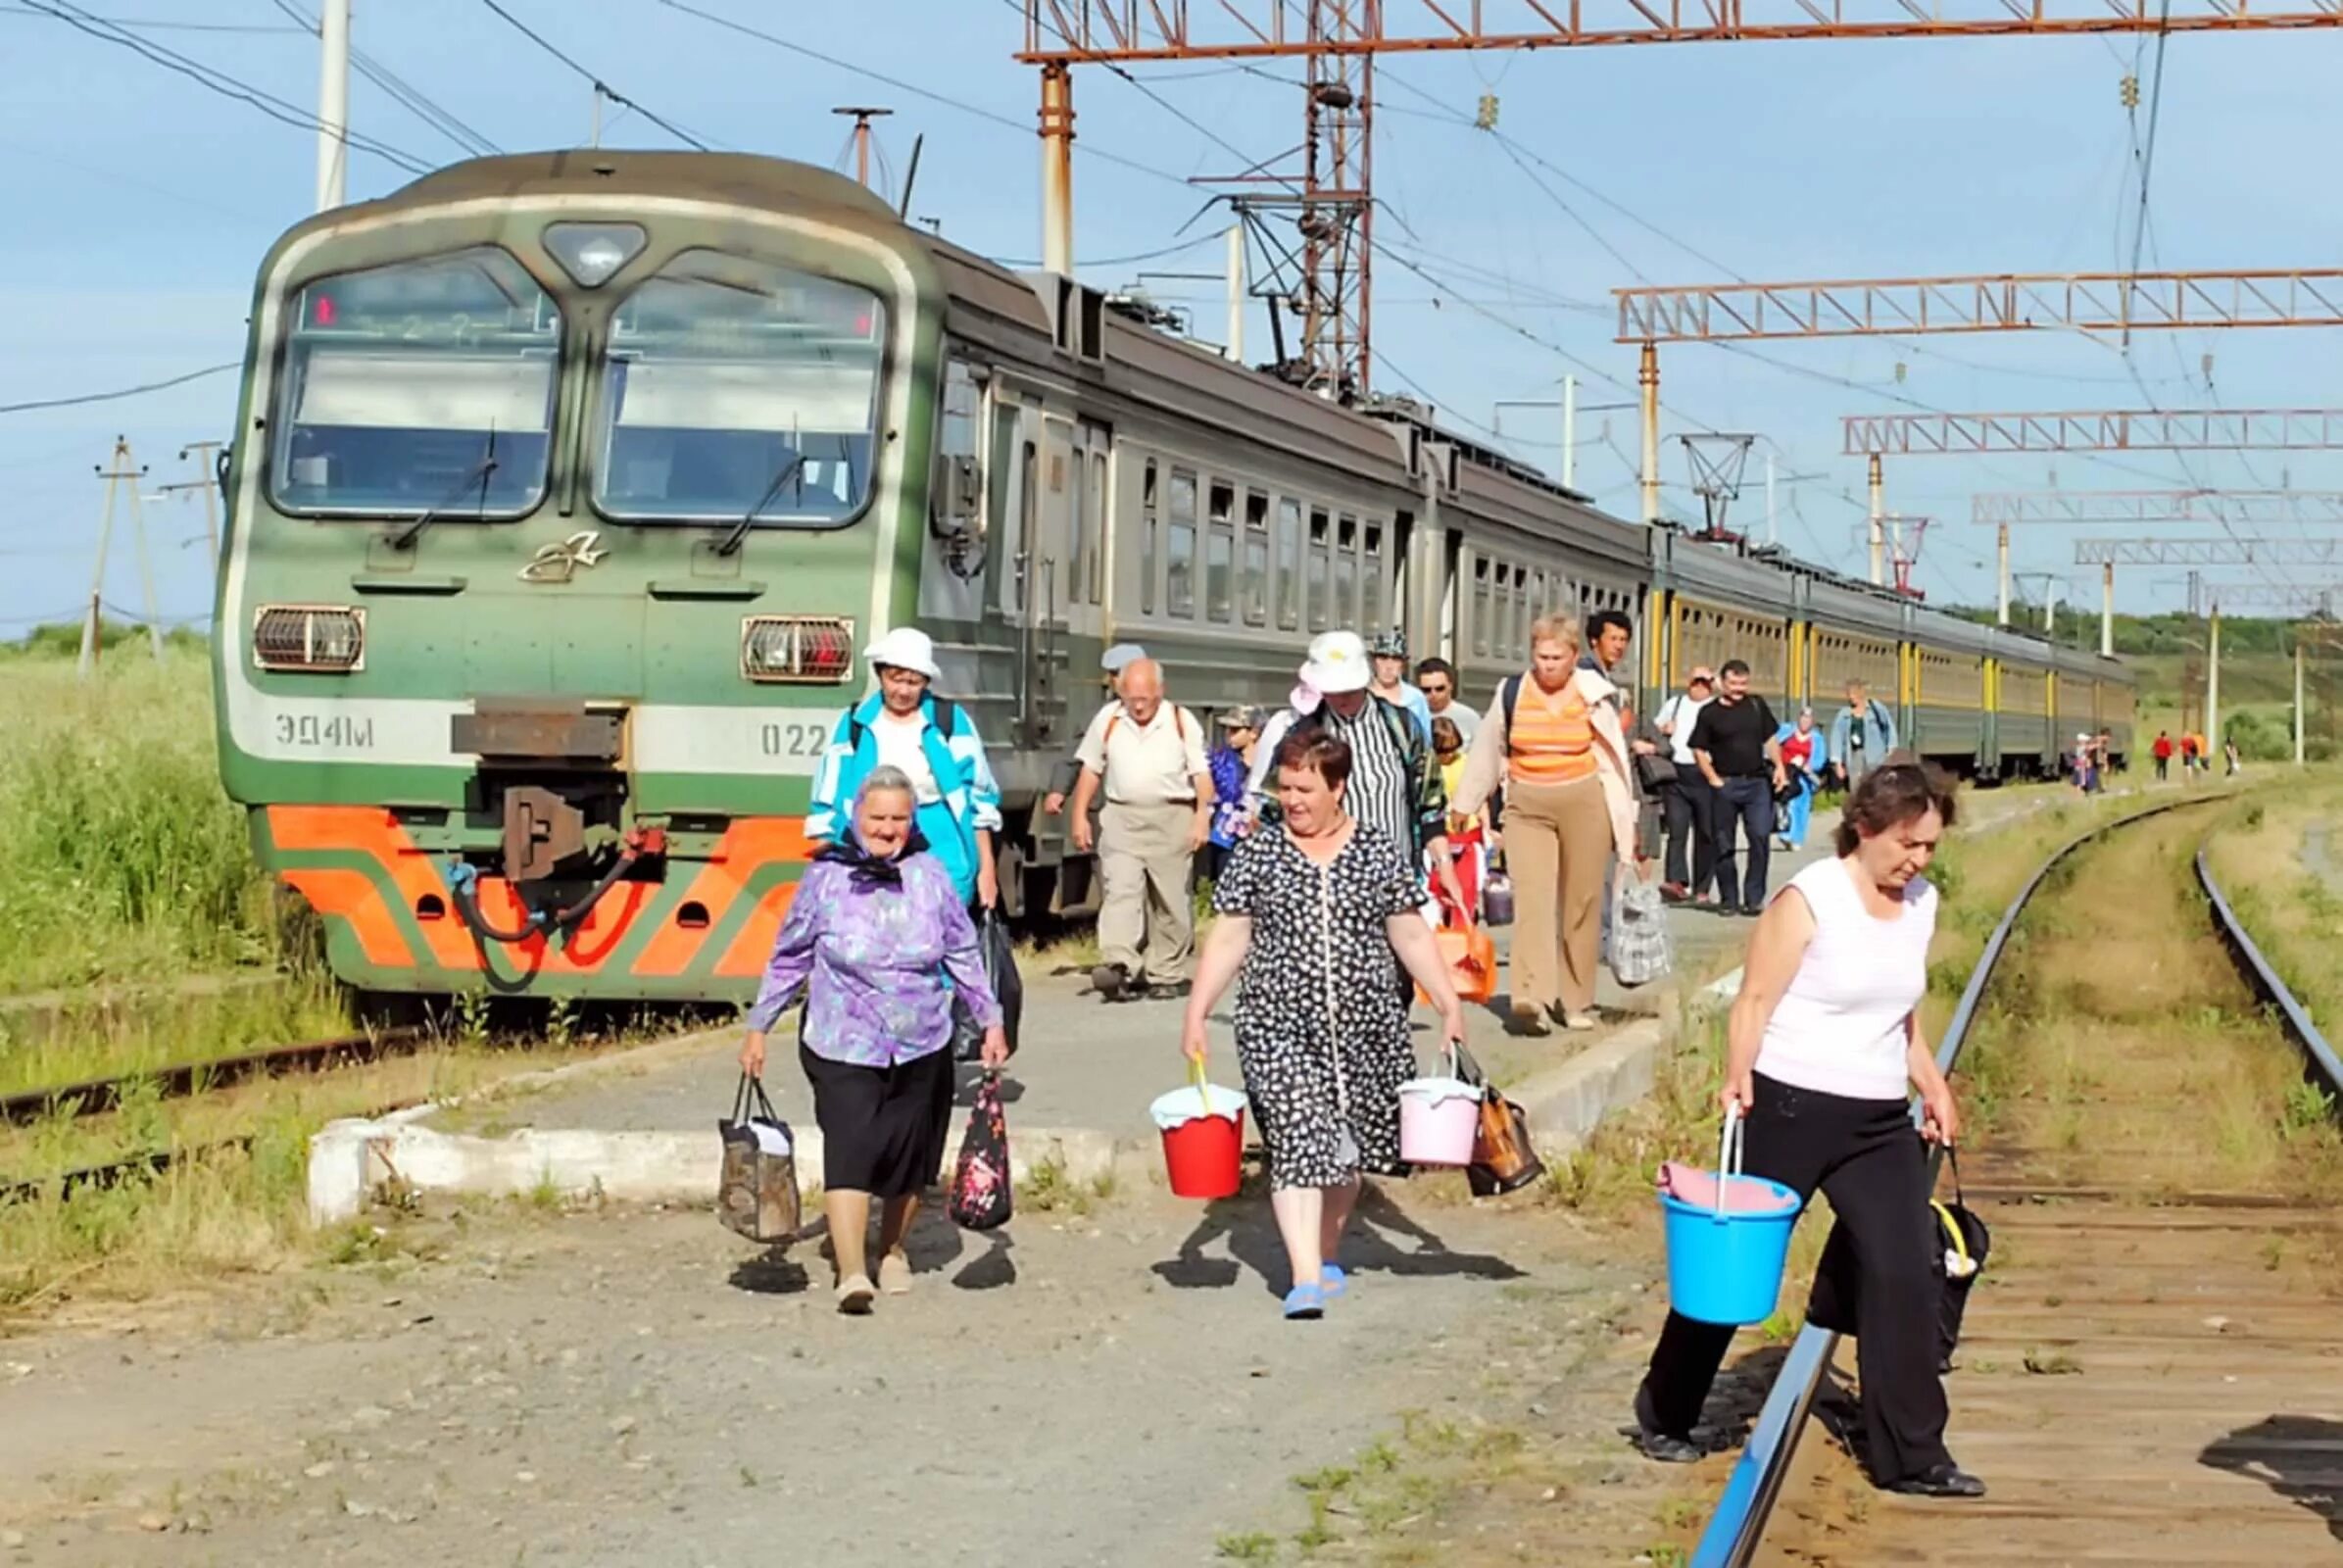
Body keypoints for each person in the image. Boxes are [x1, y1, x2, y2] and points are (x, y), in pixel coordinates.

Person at [1632, 761, 1977, 1496]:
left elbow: (1900, 1014)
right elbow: (1754, 999)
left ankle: (1914, 1456)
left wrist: (1933, 1086)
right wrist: (1736, 1076)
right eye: (1907, 845)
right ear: (1864, 826)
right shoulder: (1810, 897)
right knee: (1734, 1270)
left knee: (1903, 1273)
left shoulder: (1921, 903)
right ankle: (1665, 1410)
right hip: (1787, 1106)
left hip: (1878, 1119)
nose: (1916, 861)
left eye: (1929, 849)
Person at [1182, 730, 1467, 1319]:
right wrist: (1198, 1009)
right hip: (1276, 1025)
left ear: (1337, 787)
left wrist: (1448, 1001)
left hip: (1368, 1029)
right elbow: (1231, 935)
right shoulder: (1259, 854)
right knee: (1296, 1139)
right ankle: (1304, 1277)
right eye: (1284, 788)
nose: (1291, 800)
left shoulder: (1376, 850)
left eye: (1304, 788)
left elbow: (1409, 931)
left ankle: (1326, 1252)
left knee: (1348, 1152)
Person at [740, 767, 1008, 1314]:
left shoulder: (930, 875)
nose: (887, 829)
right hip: (843, 1041)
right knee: (852, 1147)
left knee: (911, 1156)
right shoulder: (825, 879)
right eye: (877, 818)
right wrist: (759, 1026)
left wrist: (991, 1018)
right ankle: (852, 1271)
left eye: (899, 819)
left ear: (912, 823)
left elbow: (961, 953)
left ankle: (892, 1250)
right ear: (855, 818)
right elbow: (790, 955)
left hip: (922, 1040)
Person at [1451, 616, 1638, 1037]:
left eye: (1557, 657)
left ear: (1574, 658)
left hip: (1585, 802)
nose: (1549, 665)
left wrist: (1626, 821)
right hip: (1526, 804)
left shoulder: (1594, 695)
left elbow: (1616, 761)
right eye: (1541, 657)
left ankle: (1573, 1000)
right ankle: (1530, 997)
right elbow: (1487, 747)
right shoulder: (1513, 692)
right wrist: (1465, 803)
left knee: (1581, 902)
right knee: (1533, 900)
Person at [1249, 631, 1471, 921]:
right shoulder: (1302, 736)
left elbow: (1430, 804)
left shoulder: (1402, 727)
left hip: (1396, 884)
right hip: (1327, 889)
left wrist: (1444, 867)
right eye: (1332, 691)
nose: (1340, 699)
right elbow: (1272, 811)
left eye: (1348, 690)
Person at [807, 627, 1001, 910]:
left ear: (925, 682)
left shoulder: (950, 721)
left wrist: (987, 870)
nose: (903, 690)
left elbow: (978, 801)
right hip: (871, 845)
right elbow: (828, 797)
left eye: (913, 682)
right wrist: (825, 867)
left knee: (939, 935)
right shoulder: (855, 725)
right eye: (895, 679)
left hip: (943, 843)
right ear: (880, 675)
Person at [1068, 659, 1213, 1002]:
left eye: (1145, 698)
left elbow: (1201, 775)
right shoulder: (1108, 719)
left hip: (1172, 815)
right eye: (1131, 697)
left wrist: (1202, 815)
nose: (1137, 705)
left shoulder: (1180, 720)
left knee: (1171, 899)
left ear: (1160, 691)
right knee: (1121, 890)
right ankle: (1118, 964)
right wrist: (1079, 814)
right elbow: (1090, 768)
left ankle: (1166, 971)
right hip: (1121, 817)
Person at [1689, 661, 1787, 917]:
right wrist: (1713, 779)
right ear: (1722, 683)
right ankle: (1729, 898)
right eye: (1733, 684)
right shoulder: (1709, 713)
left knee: (1759, 837)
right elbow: (1698, 749)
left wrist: (1779, 766)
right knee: (1724, 843)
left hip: (1756, 783)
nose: (1738, 689)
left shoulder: (1756, 705)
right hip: (1726, 783)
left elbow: (1770, 739)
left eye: (1743, 684)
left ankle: (1754, 898)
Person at [1043, 643, 1147, 817]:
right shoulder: (1101, 715)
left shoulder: (1167, 717)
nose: (1112, 680)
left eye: (1117, 673)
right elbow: (1074, 754)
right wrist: (1058, 790)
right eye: (1112, 674)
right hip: (1103, 810)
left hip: (1144, 810)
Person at [1654, 668, 1718, 905]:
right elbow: (1654, 728)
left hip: (1705, 772)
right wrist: (1663, 730)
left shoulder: (1716, 708)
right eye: (1695, 682)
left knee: (1706, 832)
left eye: (1705, 683)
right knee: (1677, 830)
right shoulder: (1675, 703)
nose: (1699, 687)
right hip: (1677, 772)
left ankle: (1702, 888)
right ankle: (1676, 881)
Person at [1432, 714, 1485, 921]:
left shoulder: (1465, 763)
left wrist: (1486, 827)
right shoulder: (1429, 766)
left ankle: (1464, 928)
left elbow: (1479, 798)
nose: (1449, 754)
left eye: (1454, 748)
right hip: (1439, 834)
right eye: (1443, 750)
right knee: (1438, 890)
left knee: (1467, 887)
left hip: (1467, 833)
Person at [1205, 705, 1264, 881]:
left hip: (1261, 837)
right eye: (1227, 729)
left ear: (1253, 732)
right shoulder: (1219, 760)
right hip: (1225, 838)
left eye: (1235, 729)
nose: (1228, 734)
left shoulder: (1270, 764)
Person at [1829, 680, 1898, 792]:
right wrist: (1838, 764)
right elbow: (1836, 738)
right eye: (1849, 694)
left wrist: (1891, 748)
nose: (1851, 697)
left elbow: (1888, 726)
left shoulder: (1876, 709)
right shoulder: (1844, 714)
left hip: (1876, 757)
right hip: (1854, 755)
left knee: (1875, 788)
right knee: (1856, 789)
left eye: (1854, 694)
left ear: (1861, 694)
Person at [1368, 630, 1434, 746]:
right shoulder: (1361, 695)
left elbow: (1425, 741)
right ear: (1373, 661)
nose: (1388, 666)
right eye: (1383, 658)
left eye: (1395, 659)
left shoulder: (1416, 698)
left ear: (1403, 664)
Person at [1774, 707, 1826, 851]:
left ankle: (1796, 838)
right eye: (1803, 717)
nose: (1805, 721)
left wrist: (1807, 765)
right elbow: (1773, 745)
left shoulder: (1817, 739)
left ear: (1812, 721)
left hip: (1804, 775)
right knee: (1786, 804)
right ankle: (1785, 833)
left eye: (1808, 718)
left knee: (1801, 806)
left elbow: (1819, 760)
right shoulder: (1786, 730)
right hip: (1786, 772)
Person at [1414, 657, 1480, 746]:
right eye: (1426, 690)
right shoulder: (1411, 716)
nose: (1433, 694)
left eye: (1440, 688)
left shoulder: (1470, 718)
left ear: (1450, 686)